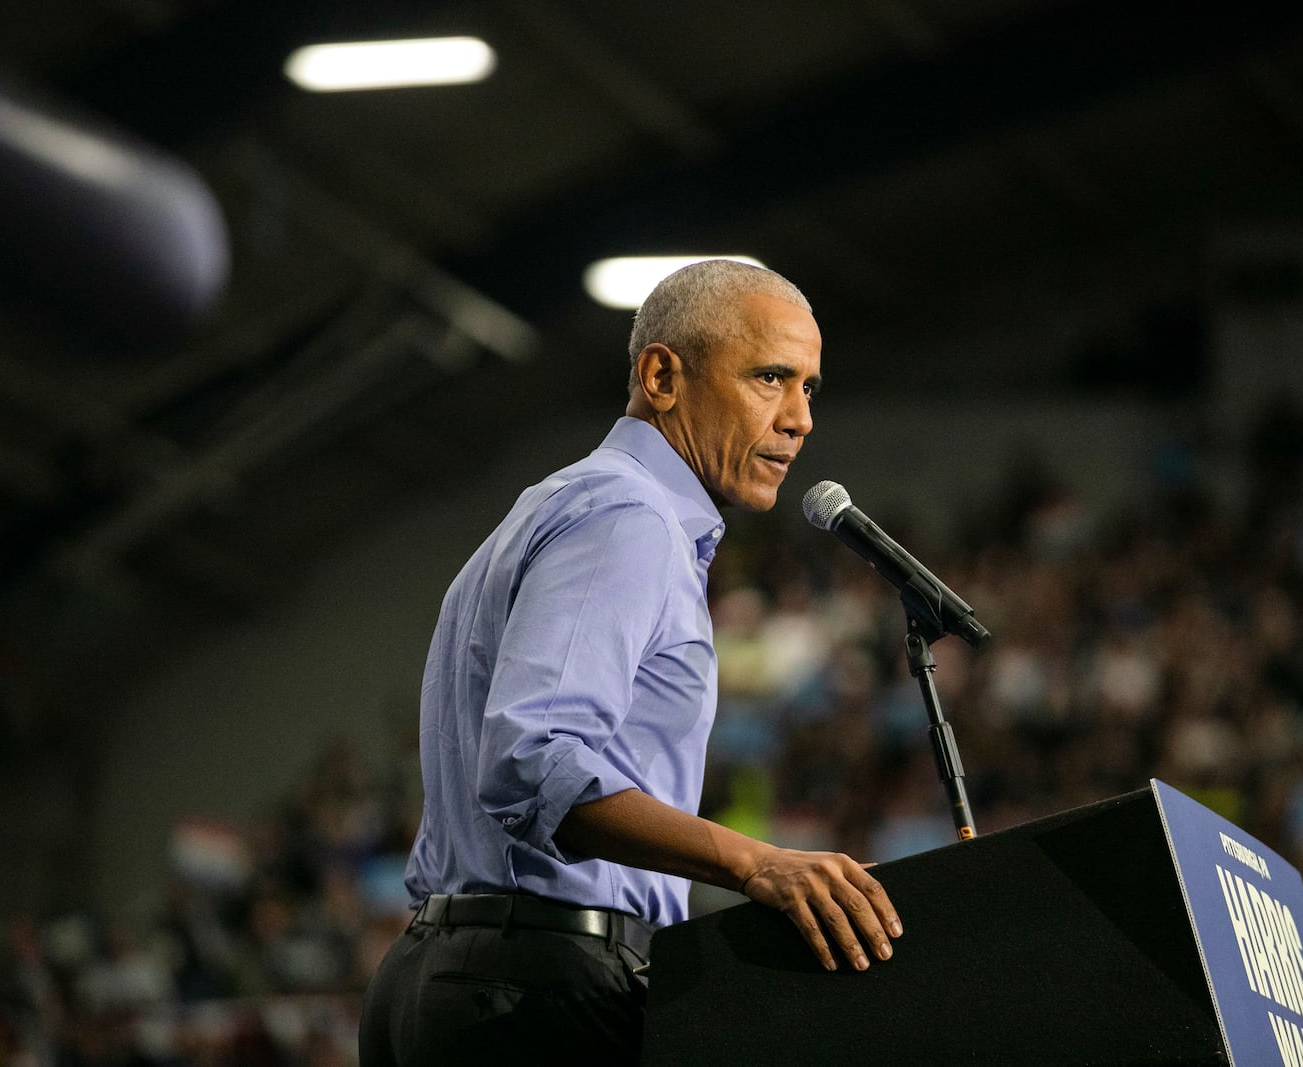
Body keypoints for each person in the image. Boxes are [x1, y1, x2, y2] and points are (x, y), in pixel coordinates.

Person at [359, 260, 902, 1064]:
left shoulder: (568, 502)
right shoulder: (627, 518)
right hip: (535, 992)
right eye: (770, 377)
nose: (799, 418)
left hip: (460, 977)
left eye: (810, 388)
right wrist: (757, 862)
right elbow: (532, 760)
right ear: (661, 375)